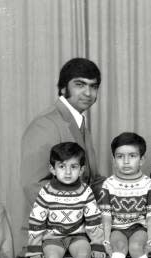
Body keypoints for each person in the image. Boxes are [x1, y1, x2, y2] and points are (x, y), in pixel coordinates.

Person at [28, 142, 106, 258]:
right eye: (62, 166)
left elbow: (94, 218)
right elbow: (37, 218)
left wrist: (97, 243)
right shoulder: (46, 192)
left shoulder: (85, 191)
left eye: (74, 167)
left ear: (82, 170)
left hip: (77, 235)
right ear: (52, 169)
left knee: (84, 255)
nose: (68, 172)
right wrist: (35, 246)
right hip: (53, 237)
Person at [21, 57, 106, 207]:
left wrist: (127, 187)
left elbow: (92, 180)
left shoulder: (80, 123)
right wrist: (76, 211)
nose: (88, 93)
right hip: (51, 227)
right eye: (80, 85)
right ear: (63, 88)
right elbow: (33, 186)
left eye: (93, 86)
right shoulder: (45, 125)